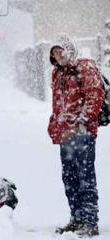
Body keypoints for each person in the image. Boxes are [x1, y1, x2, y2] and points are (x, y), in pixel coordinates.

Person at [48, 34, 104, 237]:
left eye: (60, 51)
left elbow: (95, 94)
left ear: (69, 50)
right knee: (70, 178)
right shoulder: (58, 73)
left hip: (82, 134)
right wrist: (55, 124)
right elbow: (58, 103)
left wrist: (83, 120)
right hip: (65, 135)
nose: (58, 56)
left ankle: (90, 222)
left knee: (85, 178)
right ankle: (77, 218)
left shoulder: (85, 67)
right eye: (54, 53)